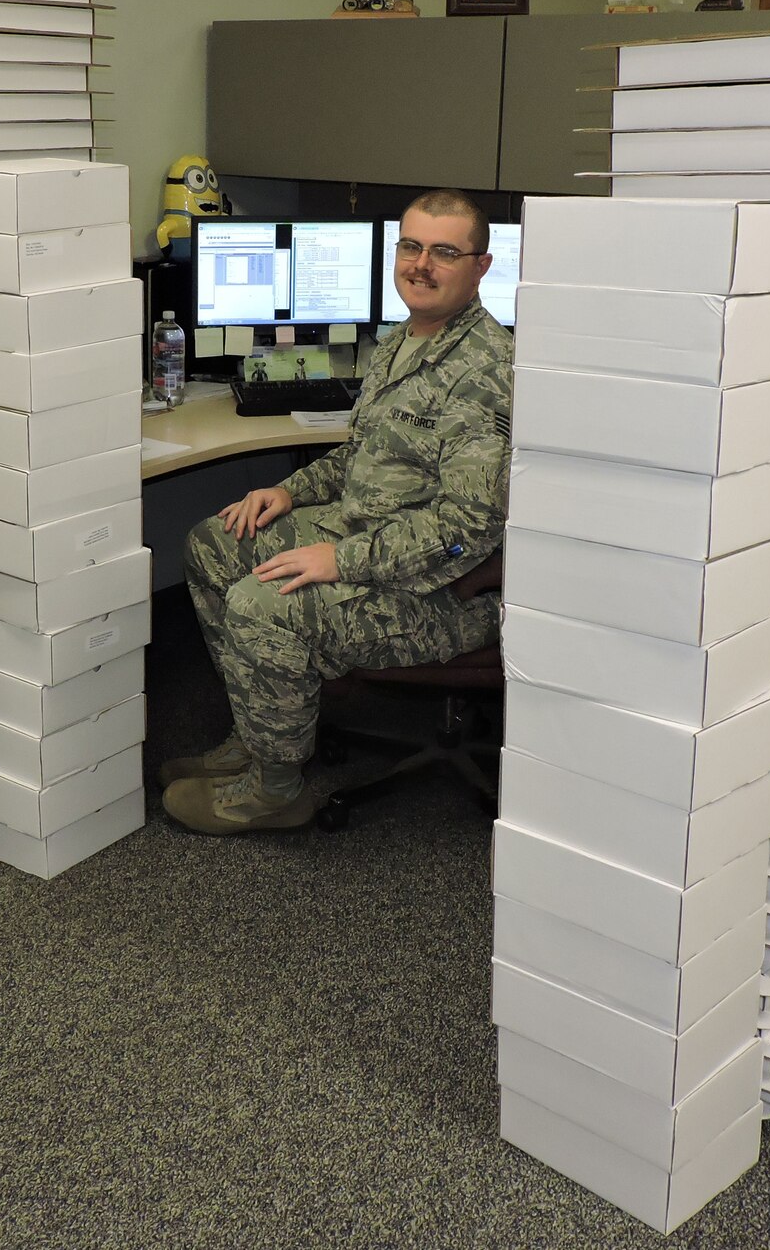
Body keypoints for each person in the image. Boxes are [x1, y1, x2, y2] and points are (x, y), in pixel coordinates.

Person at [162, 189, 515, 834]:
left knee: (259, 604)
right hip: (365, 534)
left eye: (444, 251)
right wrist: (292, 492)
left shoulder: (483, 370)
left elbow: (468, 530)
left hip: (438, 589)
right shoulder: (400, 339)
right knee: (214, 543)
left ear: (481, 266)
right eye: (411, 246)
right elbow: (360, 459)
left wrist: (339, 560)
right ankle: (260, 727)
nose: (421, 264)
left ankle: (274, 790)